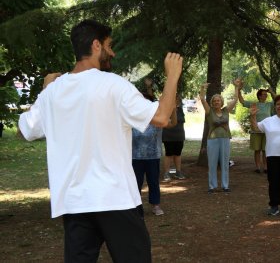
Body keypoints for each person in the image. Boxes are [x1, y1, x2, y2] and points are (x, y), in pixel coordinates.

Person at [18, 19, 182, 262]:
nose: (112, 52)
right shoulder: (112, 84)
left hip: (74, 202)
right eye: (109, 45)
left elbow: (25, 131)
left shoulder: (53, 92)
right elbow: (160, 117)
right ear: (96, 45)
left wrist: (45, 90)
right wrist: (172, 76)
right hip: (115, 197)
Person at [132, 92, 177, 216]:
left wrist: (173, 109)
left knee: (153, 182)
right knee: (135, 183)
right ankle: (136, 207)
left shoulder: (157, 119)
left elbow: (173, 123)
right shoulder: (133, 118)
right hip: (135, 157)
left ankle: (156, 205)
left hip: (153, 156)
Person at [200, 80, 240, 193]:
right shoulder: (209, 111)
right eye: (215, 101)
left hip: (225, 139)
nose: (217, 102)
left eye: (218, 100)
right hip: (212, 140)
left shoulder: (226, 110)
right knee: (212, 164)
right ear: (212, 103)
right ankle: (212, 186)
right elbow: (202, 100)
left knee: (224, 163)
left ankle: (225, 185)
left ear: (221, 102)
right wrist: (202, 89)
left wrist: (236, 87)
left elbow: (235, 99)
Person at [238, 85, 276, 173]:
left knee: (265, 150)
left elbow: (278, 100)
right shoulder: (254, 104)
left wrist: (271, 92)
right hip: (255, 131)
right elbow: (242, 101)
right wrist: (238, 90)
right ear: (259, 96)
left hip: (267, 131)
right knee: (257, 150)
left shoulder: (269, 105)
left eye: (266, 95)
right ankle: (258, 168)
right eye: (264, 94)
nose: (265, 96)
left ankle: (266, 167)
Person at [162, 94, 187, 181]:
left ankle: (178, 172)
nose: (176, 101)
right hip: (168, 135)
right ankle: (166, 173)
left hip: (179, 135)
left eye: (177, 99)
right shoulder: (166, 110)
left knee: (178, 154)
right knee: (168, 154)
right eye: (174, 99)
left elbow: (182, 121)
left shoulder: (180, 109)